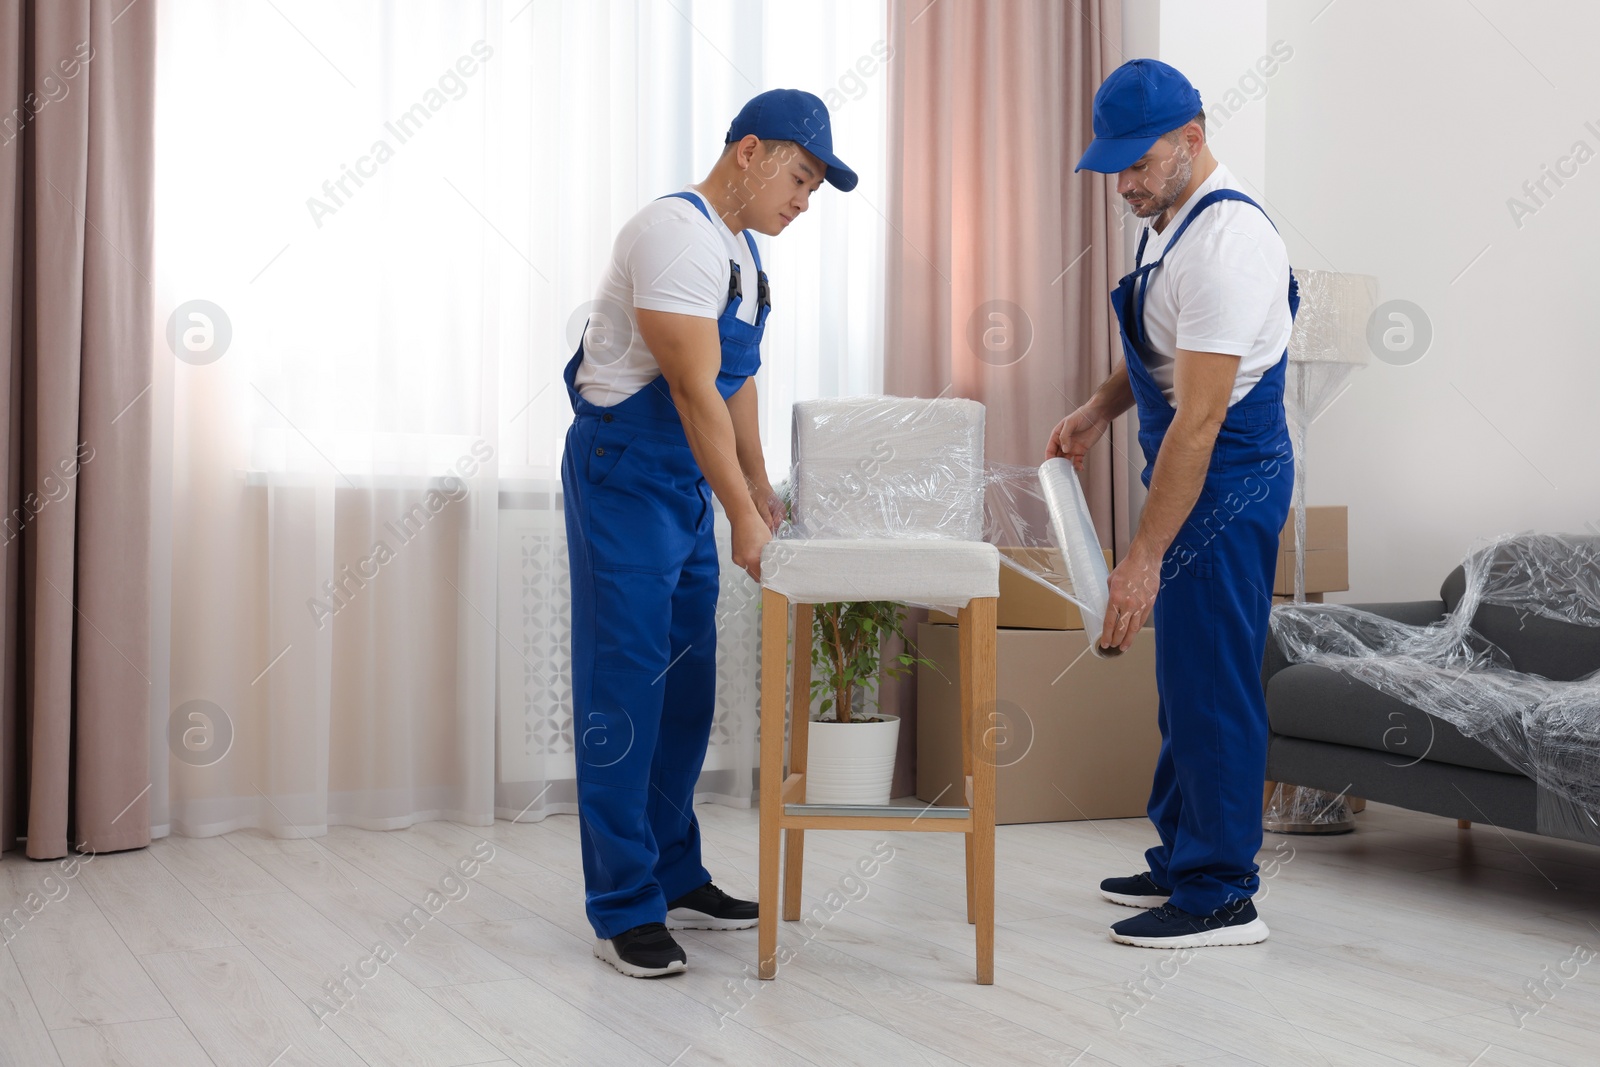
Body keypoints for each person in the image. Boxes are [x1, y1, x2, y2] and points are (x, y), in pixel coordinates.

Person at [562, 89, 858, 977]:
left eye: (814, 187)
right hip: (627, 471)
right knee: (626, 687)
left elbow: (735, 384)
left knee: (688, 686)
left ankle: (674, 869)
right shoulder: (675, 234)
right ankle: (623, 902)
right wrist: (738, 516)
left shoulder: (744, 258)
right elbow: (690, 392)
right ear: (749, 153)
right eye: (800, 176)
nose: (805, 200)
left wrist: (758, 489)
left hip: (687, 474)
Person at [1047, 59, 1295, 949]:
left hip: (1223, 474)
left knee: (1214, 677)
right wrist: (1096, 411)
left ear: (1193, 138)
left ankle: (1223, 892)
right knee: (1183, 673)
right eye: (1115, 166)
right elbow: (1162, 349)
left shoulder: (1229, 247)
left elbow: (1198, 422)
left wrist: (1142, 557)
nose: (1127, 183)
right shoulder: (1171, 216)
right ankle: (1184, 849)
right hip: (1191, 464)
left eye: (1140, 163)